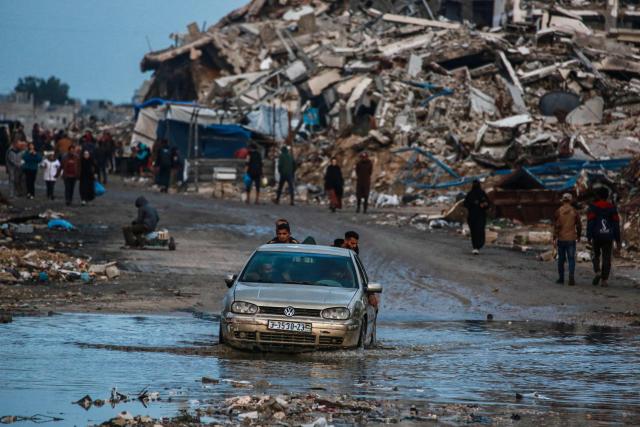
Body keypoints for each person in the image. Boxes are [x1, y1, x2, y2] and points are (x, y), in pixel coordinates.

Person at [587, 187, 621, 287]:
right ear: (607, 196)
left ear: (598, 196)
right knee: (606, 258)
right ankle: (604, 280)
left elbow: (590, 223)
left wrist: (589, 237)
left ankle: (597, 271)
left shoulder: (593, 207)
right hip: (608, 236)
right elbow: (616, 224)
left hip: (596, 236)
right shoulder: (612, 208)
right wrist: (618, 240)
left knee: (595, 255)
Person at [553, 193, 581, 286]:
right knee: (571, 259)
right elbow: (579, 225)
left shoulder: (558, 211)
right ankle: (571, 276)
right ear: (571, 200)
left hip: (561, 238)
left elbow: (556, 226)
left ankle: (561, 278)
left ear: (563, 200)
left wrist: (554, 237)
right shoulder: (574, 211)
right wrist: (579, 235)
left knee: (561, 259)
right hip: (571, 238)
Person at [464, 180, 490, 255]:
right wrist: (474, 204)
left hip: (480, 216)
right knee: (474, 231)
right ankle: (475, 247)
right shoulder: (470, 194)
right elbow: (466, 204)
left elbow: (488, 204)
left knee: (480, 230)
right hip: (473, 216)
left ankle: (479, 245)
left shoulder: (482, 193)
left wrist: (484, 205)